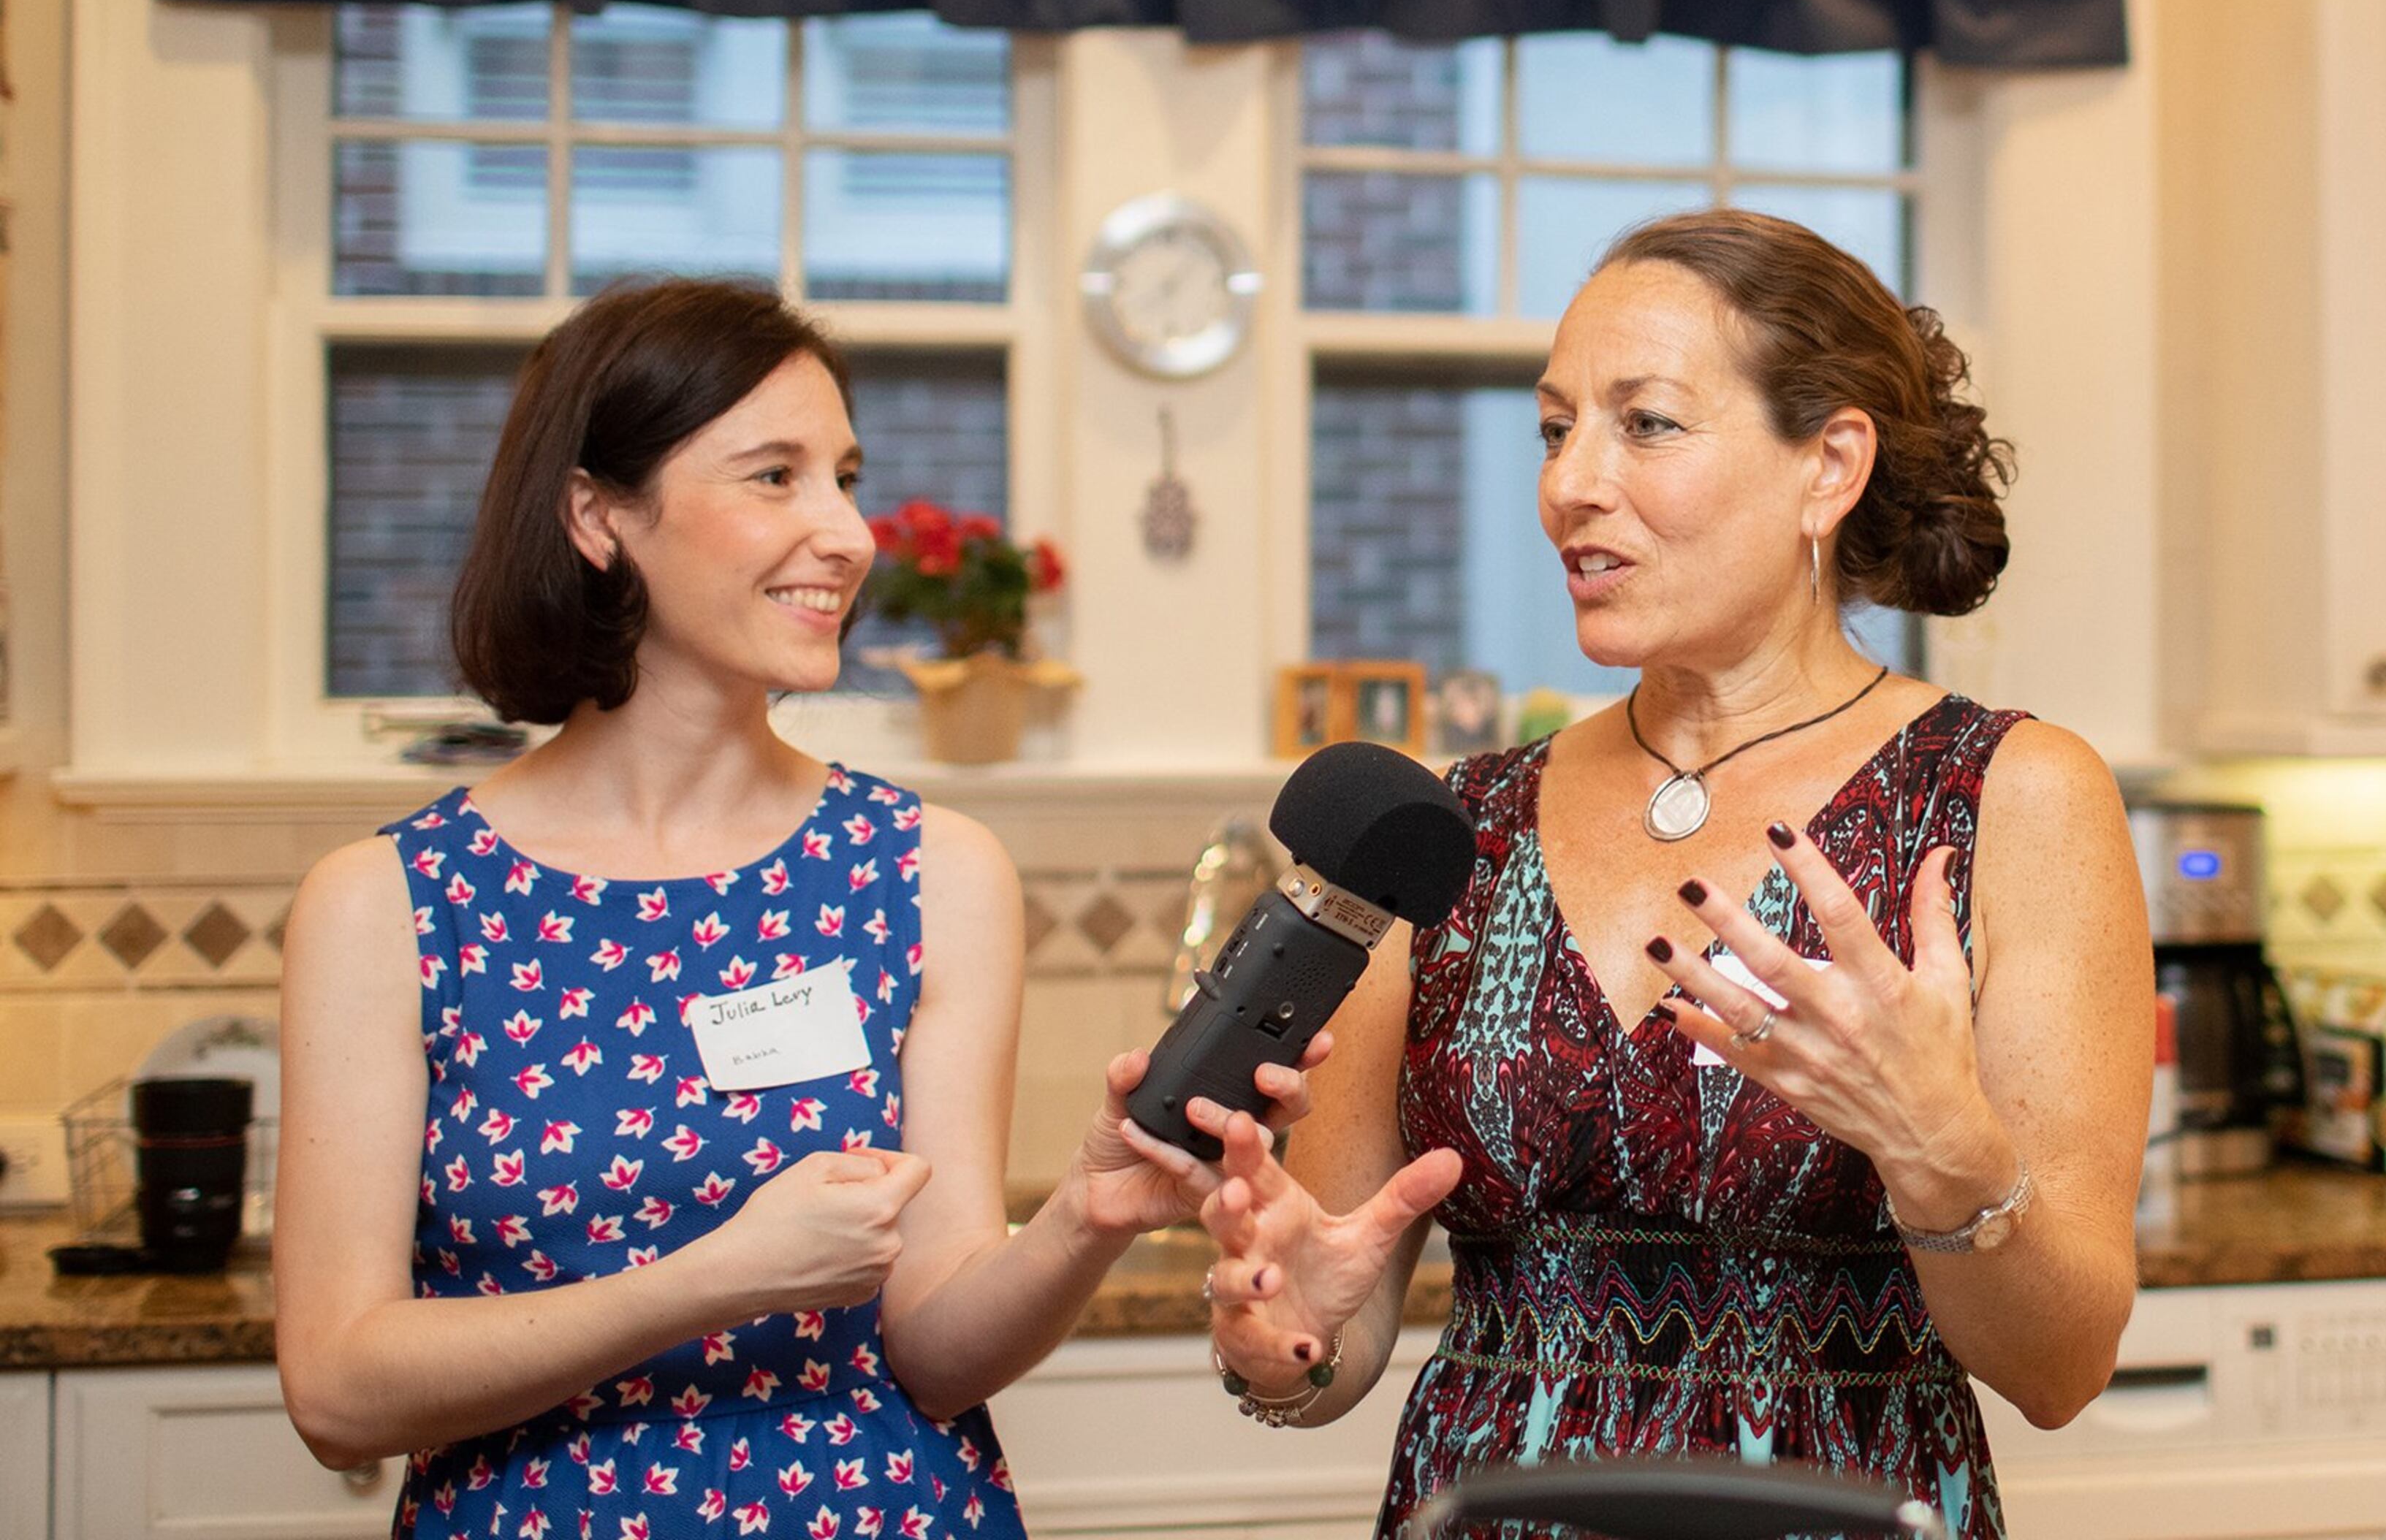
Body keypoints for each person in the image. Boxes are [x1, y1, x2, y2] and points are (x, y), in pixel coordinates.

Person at [1158, 212, 2154, 1539]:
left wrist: (1946, 1154)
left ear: (1829, 465)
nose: (1572, 482)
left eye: (1648, 425)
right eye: (1554, 429)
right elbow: (1326, 1335)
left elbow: (2062, 1369)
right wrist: (1278, 1340)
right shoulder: (1459, 828)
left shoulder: (2006, 799)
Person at [274, 278, 1312, 1539]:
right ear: (598, 516)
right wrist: (718, 1279)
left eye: (846, 477)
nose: (847, 533)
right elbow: (334, 1386)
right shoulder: (387, 905)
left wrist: (1087, 1215)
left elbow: (934, 1351)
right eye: (774, 477)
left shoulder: (933, 872)